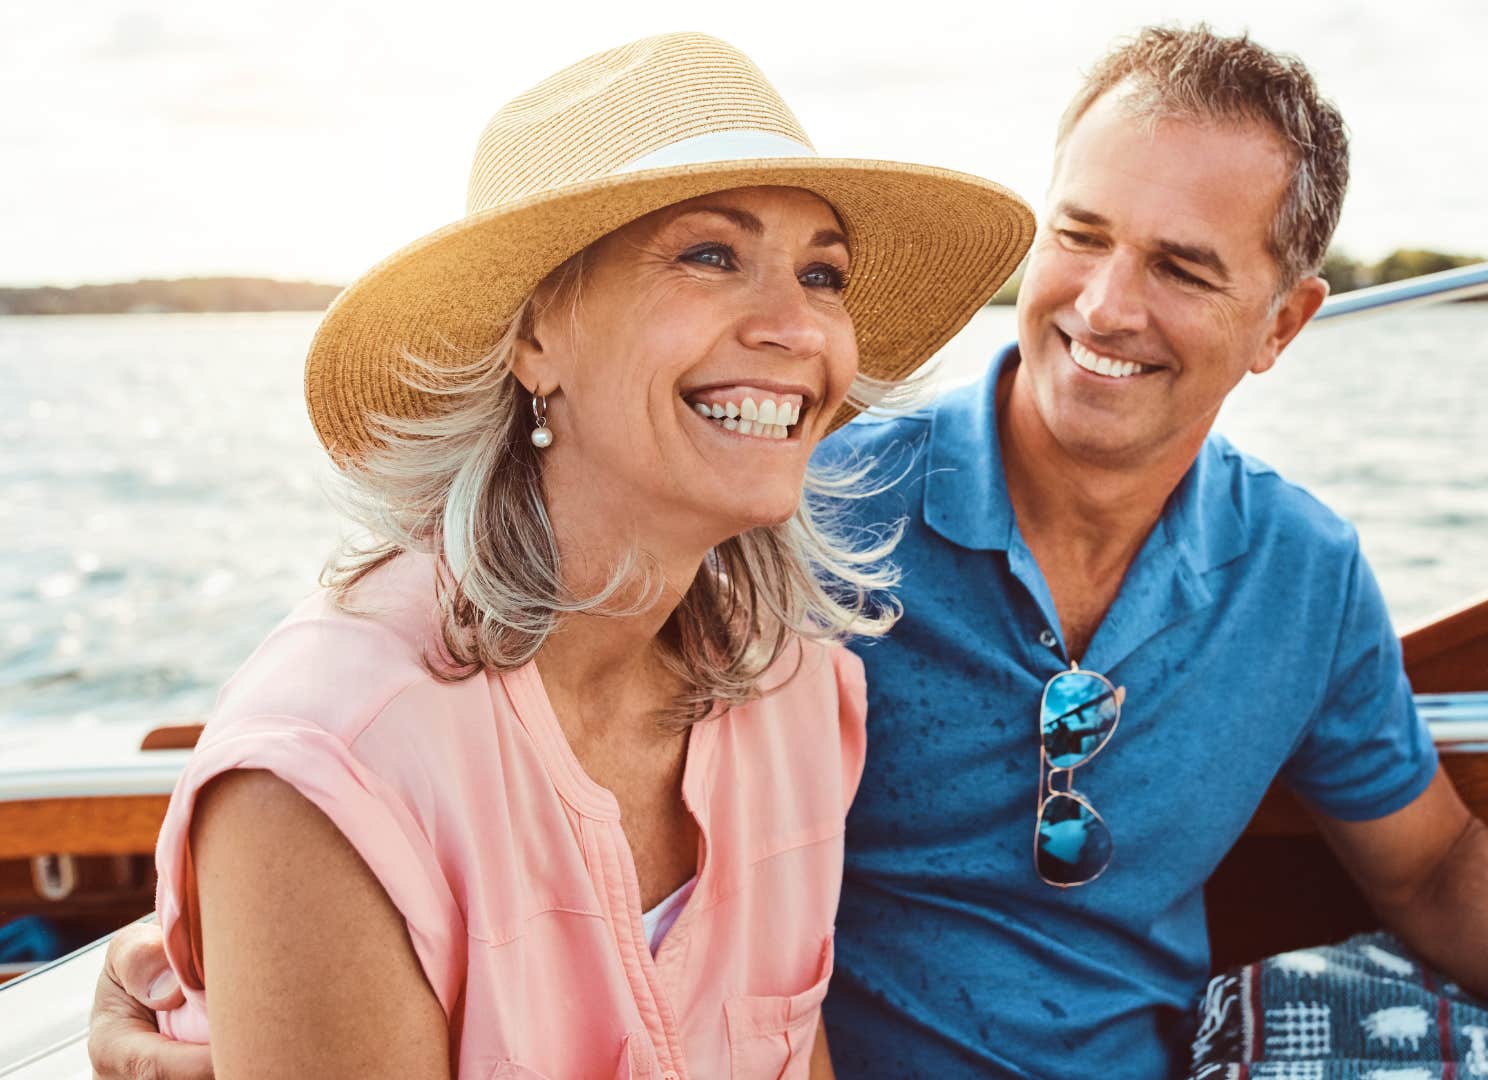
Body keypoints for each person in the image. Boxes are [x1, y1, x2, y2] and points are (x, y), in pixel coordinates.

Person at [90, 24, 1488, 1080]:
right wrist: (231, 963)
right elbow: (398, 696)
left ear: (1285, 323)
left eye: (1189, 269)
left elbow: (1433, 868)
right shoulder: (806, 516)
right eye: (1081, 235)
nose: (1104, 309)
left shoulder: (803, 644)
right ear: (532, 335)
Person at [86, 32, 1030, 1080]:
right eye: (711, 255)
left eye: (823, 273)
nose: (798, 327)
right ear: (535, 336)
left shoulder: (796, 693)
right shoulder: (332, 766)